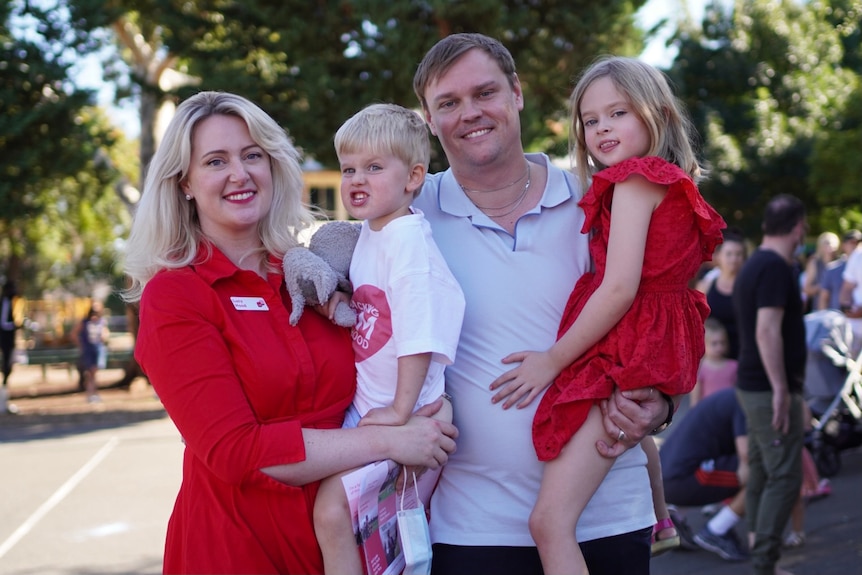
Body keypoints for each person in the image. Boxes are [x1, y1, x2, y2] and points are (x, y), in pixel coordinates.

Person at [121, 91, 457, 574]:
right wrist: (391, 441)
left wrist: (431, 405)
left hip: (347, 543)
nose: (240, 173)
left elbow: (390, 349)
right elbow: (236, 451)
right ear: (185, 183)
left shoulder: (313, 272)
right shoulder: (176, 296)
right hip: (238, 550)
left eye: (252, 155)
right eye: (216, 161)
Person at [412, 34, 688, 575]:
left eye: (485, 92)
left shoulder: (598, 200)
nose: (470, 113)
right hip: (473, 527)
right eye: (448, 102)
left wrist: (663, 405)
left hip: (606, 516)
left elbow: (664, 318)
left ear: (516, 93)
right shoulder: (407, 218)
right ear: (427, 118)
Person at [482, 55, 724, 574]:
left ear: (656, 113)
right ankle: (661, 519)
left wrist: (551, 360)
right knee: (626, 440)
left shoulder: (636, 180)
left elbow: (618, 289)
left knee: (549, 523)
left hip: (626, 343)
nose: (603, 128)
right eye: (591, 121)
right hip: (647, 339)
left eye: (618, 113)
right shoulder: (666, 181)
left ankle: (660, 518)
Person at [312, 103, 465, 574]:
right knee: (381, 540)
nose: (357, 179)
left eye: (374, 168)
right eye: (349, 169)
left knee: (330, 512)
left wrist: (400, 411)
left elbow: (418, 335)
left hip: (408, 412)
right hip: (373, 406)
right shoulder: (369, 235)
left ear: (413, 177)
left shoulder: (408, 241)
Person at [733, 193, 808, 575]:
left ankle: (761, 557)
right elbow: (767, 331)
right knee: (785, 475)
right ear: (798, 228)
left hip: (754, 386)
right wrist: (781, 389)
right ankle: (764, 562)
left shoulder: (754, 265)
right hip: (767, 390)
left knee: (764, 471)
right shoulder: (775, 267)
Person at [660, 388, 750, 562]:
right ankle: (717, 530)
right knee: (763, 471)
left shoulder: (728, 395)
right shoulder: (741, 400)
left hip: (666, 476)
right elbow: (746, 454)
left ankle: (673, 517)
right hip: (681, 479)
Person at [697, 230, 747, 359]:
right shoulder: (706, 286)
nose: (734, 259)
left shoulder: (749, 287)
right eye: (729, 254)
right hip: (714, 356)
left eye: (738, 254)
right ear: (719, 256)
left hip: (742, 354)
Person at [690, 317, 739, 407]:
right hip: (708, 412)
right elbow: (695, 401)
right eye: (714, 343)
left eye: (722, 342)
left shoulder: (734, 366)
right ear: (704, 344)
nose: (719, 347)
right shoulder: (699, 369)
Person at [818, 229, 860, 311]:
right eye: (852, 242)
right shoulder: (832, 268)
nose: (855, 246)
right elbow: (823, 298)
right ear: (843, 245)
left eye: (858, 243)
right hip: (836, 318)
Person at [78, 303, 109, 403]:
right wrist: (81, 345)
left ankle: (93, 393)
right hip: (88, 350)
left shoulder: (101, 322)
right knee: (90, 373)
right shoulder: (85, 322)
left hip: (98, 349)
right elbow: (73, 334)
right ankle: (90, 393)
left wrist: (104, 337)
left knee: (94, 372)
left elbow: (105, 334)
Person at [802, 231, 838, 312]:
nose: (830, 247)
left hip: (836, 310)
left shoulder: (840, 263)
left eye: (832, 244)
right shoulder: (815, 263)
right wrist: (824, 286)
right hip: (819, 310)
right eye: (827, 243)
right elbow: (806, 289)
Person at [1, 280, 20, 414]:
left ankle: (3, 399)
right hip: (5, 340)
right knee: (7, 367)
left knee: (8, 367)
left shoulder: (10, 302)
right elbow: (3, 323)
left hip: (8, 341)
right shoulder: (5, 302)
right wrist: (15, 326)